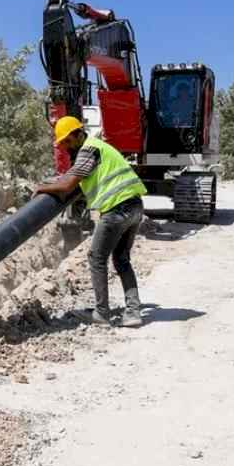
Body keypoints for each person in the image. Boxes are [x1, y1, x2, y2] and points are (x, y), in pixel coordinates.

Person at [35, 116, 147, 327]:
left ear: (79, 134)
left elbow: (68, 185)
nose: (66, 147)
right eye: (63, 143)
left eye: (67, 141)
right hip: (134, 206)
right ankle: (133, 312)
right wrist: (55, 182)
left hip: (117, 208)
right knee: (121, 259)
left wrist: (42, 188)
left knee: (96, 257)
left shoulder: (89, 149)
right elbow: (71, 177)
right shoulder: (98, 149)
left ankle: (101, 313)